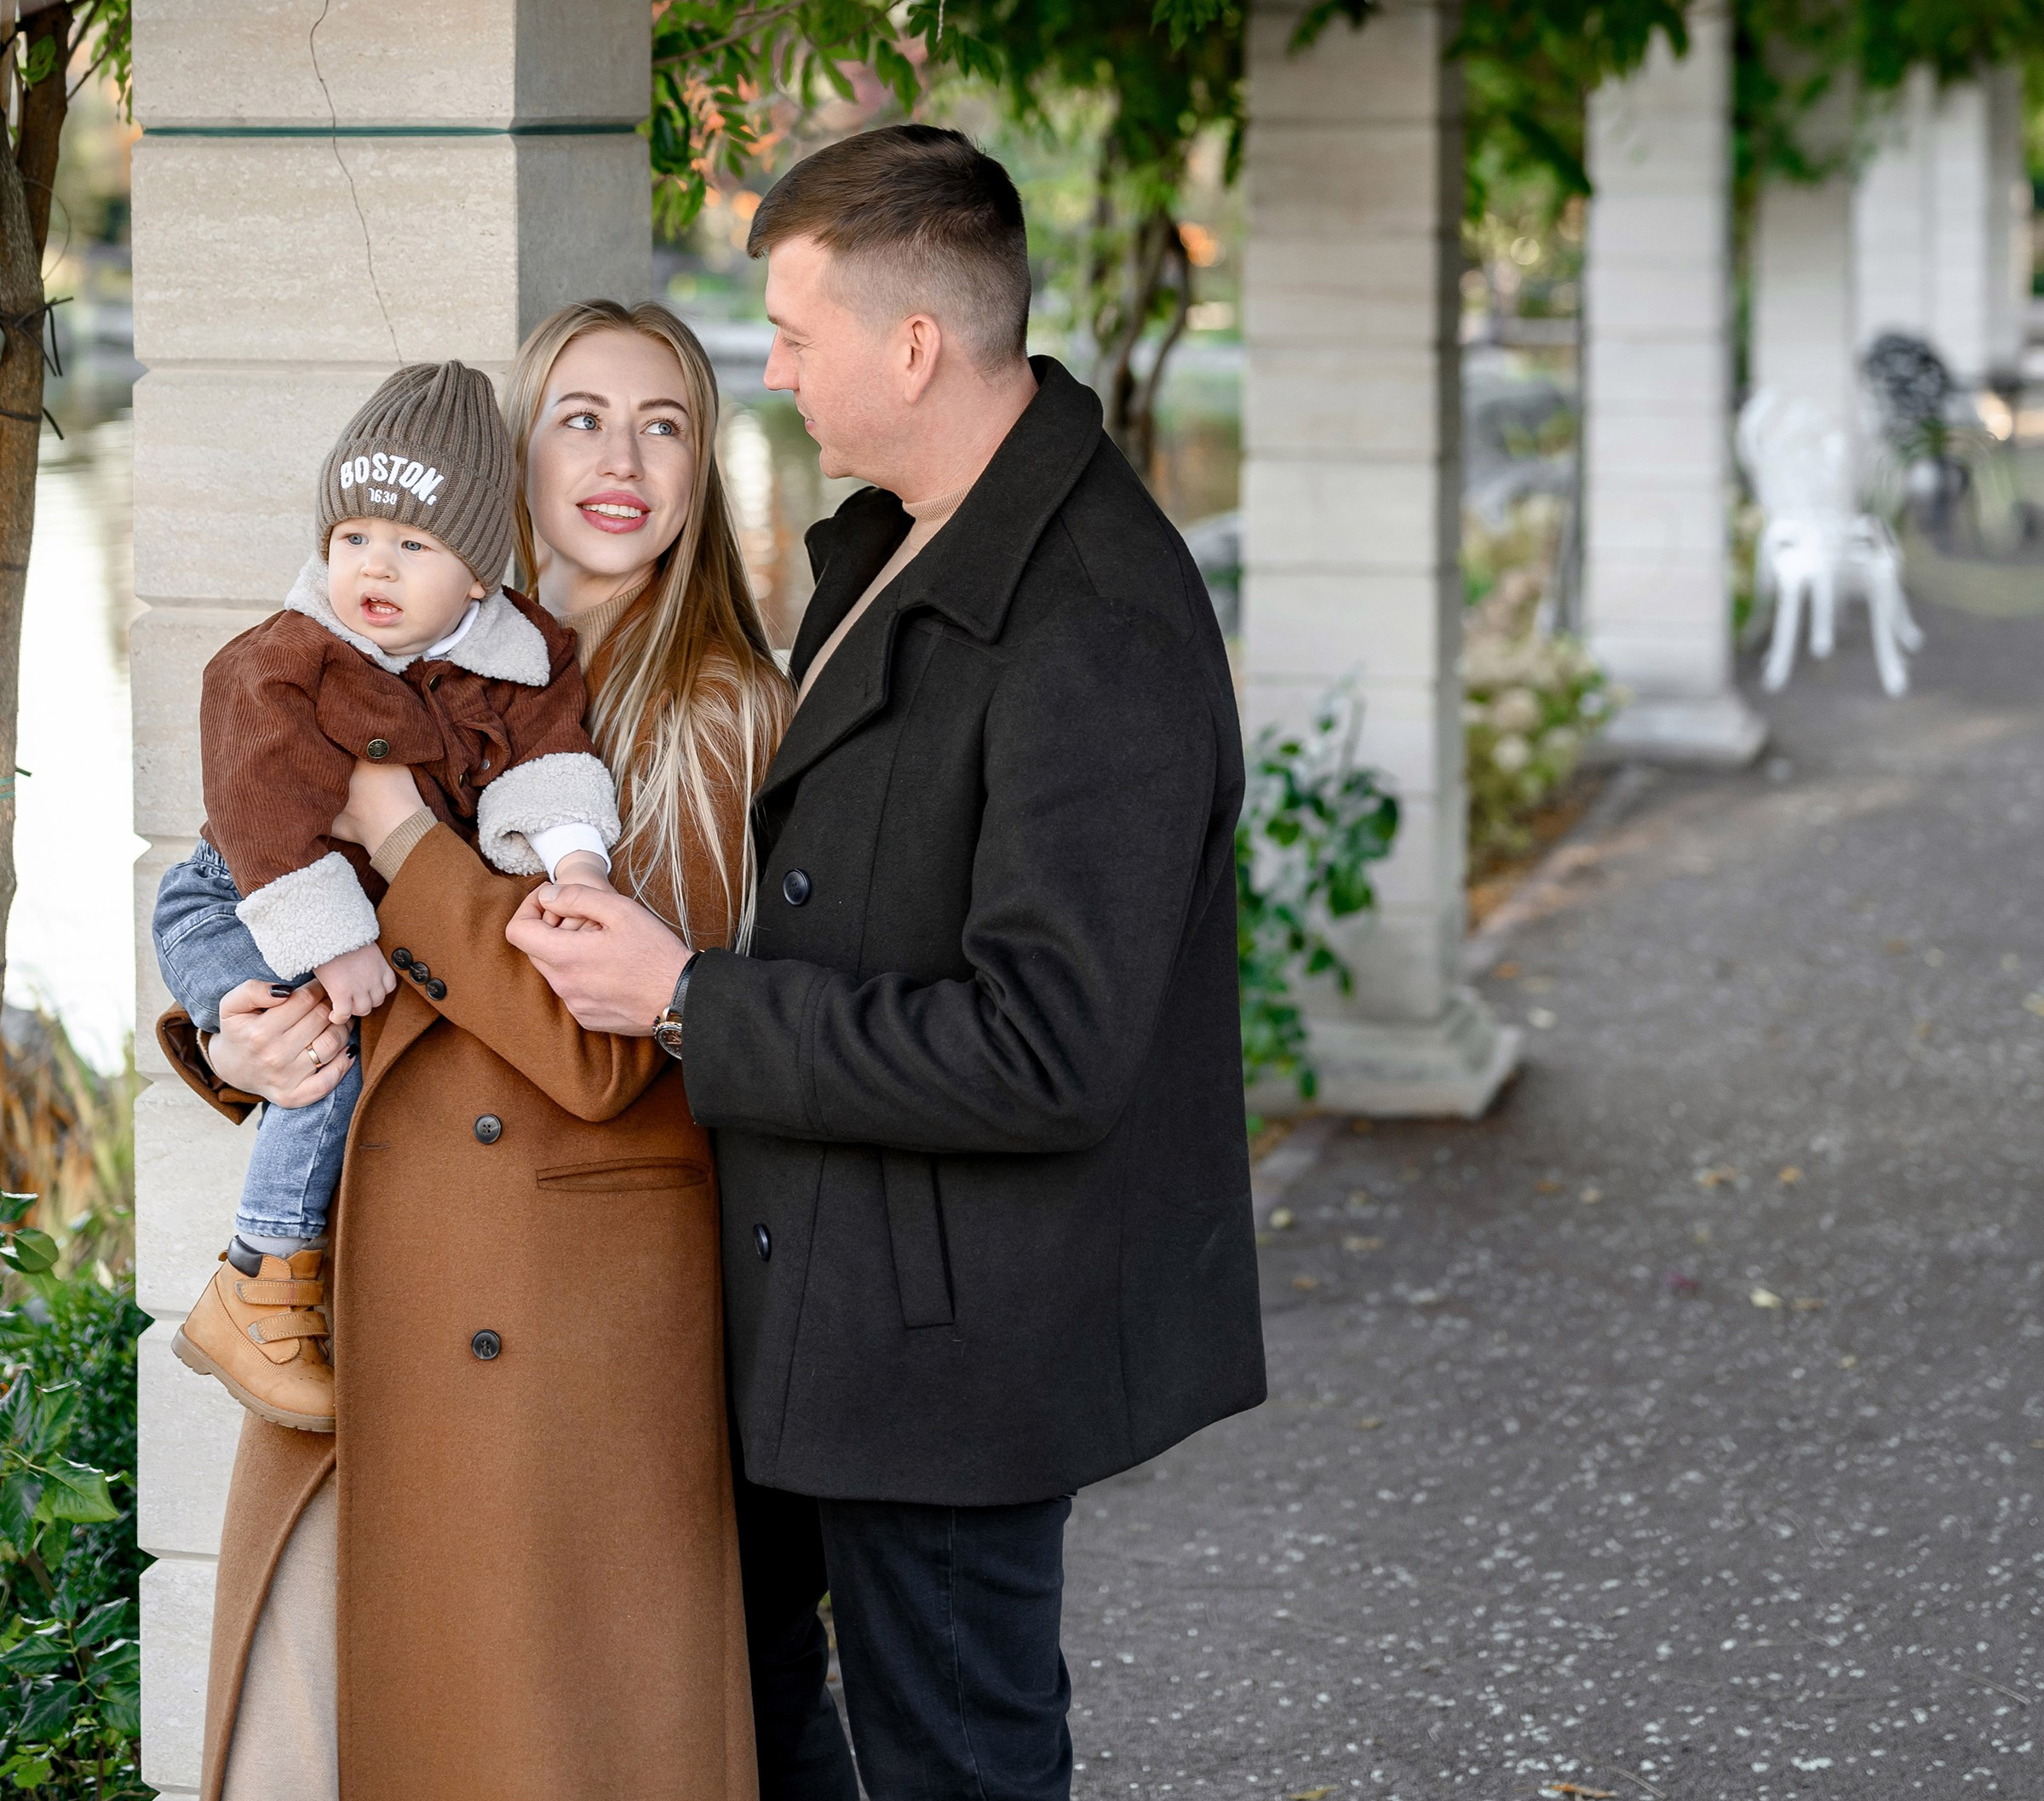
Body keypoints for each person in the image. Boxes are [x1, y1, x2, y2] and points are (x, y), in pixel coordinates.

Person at [511, 124, 1266, 1801]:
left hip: (949, 1352)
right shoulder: (908, 533)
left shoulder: (1096, 625)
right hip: (830, 1310)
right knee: (775, 1730)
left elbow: (1048, 1049)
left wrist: (691, 1000)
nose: (765, 370)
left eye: (789, 331)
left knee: (957, 1767)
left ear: (911, 343)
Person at [153, 301, 785, 1801]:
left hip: (554, 1321)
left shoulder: (708, 708)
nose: (619, 458)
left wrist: (403, 837)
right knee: (302, 1742)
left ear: (704, 467)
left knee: (520, 1742)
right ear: (509, 459)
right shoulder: (409, 656)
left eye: (665, 422)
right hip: (369, 1269)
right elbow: (251, 876)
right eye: (579, 415)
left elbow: (612, 1052)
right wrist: (245, 1029)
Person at [158, 359, 620, 1430]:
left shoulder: (521, 654)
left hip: (332, 911)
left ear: (476, 575)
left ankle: (259, 1278)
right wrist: (327, 942)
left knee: (315, 1042)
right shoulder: (286, 656)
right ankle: (264, 1274)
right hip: (235, 896)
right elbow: (262, 809)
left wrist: (574, 860)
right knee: (324, 1041)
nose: (375, 565)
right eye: (354, 535)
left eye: (414, 545)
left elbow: (547, 760)